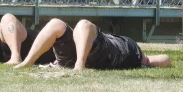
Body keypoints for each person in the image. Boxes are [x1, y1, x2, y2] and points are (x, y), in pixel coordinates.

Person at [13, 18, 171, 71]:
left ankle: (79, 65)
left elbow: (164, 59)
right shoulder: (129, 48)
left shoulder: (131, 50)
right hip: (92, 54)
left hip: (107, 55)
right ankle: (27, 62)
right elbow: (163, 59)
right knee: (56, 23)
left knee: (83, 24)